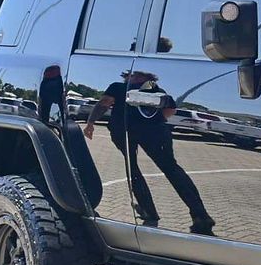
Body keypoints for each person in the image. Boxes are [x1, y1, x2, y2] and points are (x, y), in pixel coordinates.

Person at [84, 69, 215, 236]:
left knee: (133, 169)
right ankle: (200, 215)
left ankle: (148, 211)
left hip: (124, 130)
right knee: (172, 169)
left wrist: (90, 123)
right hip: (156, 132)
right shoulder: (158, 91)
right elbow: (169, 111)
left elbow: (104, 103)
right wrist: (153, 122)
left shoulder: (119, 87)